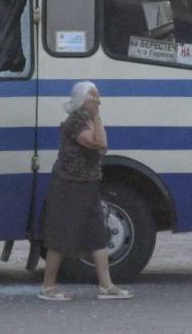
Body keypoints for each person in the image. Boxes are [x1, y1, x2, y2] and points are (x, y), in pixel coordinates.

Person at [38, 81, 133, 301]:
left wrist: (96, 118)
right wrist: (98, 117)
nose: (97, 102)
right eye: (93, 98)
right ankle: (48, 287)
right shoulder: (75, 122)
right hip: (69, 184)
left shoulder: (89, 120)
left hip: (89, 183)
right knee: (61, 234)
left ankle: (106, 285)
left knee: (97, 233)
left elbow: (103, 143)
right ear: (82, 100)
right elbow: (98, 143)